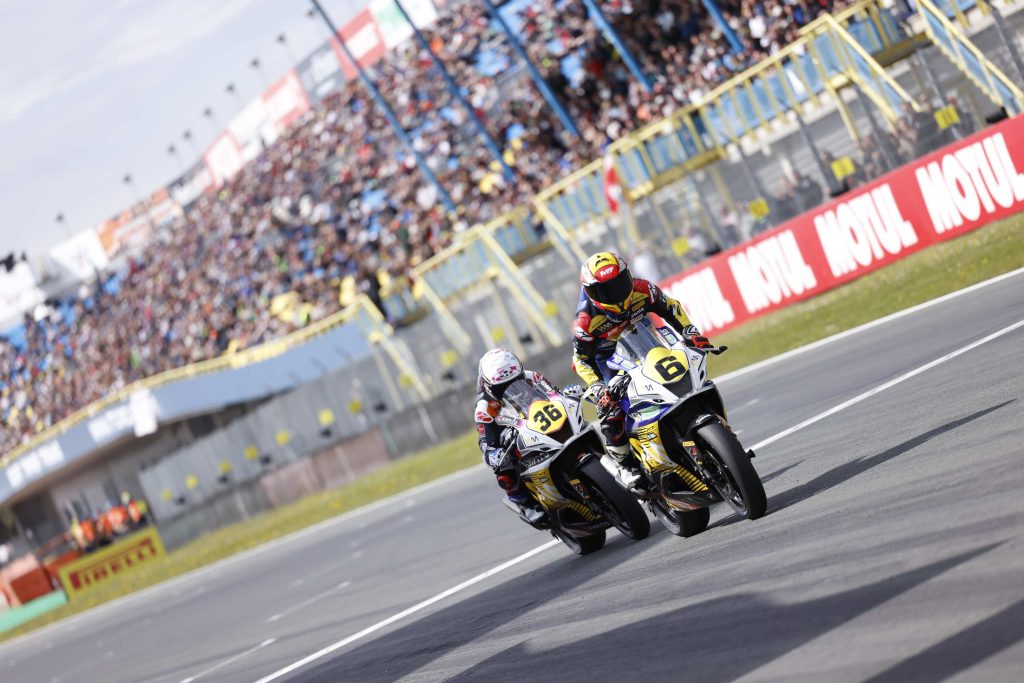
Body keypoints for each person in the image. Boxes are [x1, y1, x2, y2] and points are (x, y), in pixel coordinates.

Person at [572, 251, 713, 487]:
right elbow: (580, 360)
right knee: (611, 412)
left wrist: (691, 334)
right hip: (609, 360)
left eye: (619, 284)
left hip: (645, 340)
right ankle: (627, 466)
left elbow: (671, 307)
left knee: (683, 374)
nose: (616, 293)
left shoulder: (642, 289)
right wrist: (598, 388)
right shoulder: (585, 321)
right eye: (606, 290)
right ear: (591, 292)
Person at [474, 347, 579, 523]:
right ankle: (524, 502)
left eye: (516, 380)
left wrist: (568, 396)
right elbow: (486, 441)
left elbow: (554, 394)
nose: (510, 387)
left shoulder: (532, 377)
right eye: (502, 387)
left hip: (540, 417)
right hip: (510, 431)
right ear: (488, 385)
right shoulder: (484, 408)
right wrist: (493, 452)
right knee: (502, 465)